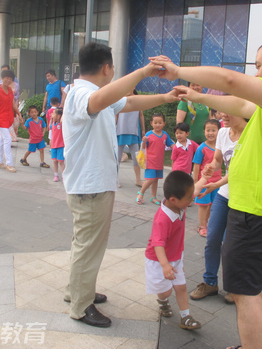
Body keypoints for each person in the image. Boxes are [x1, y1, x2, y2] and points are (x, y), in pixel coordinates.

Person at [151, 37, 262, 349]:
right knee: (259, 284)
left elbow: (229, 81)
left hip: (256, 212)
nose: (257, 73)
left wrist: (178, 70)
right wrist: (198, 95)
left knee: (243, 293)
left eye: (259, 66)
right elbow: (239, 104)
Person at [62, 42, 178, 328]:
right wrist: (142, 72)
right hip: (90, 187)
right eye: (113, 68)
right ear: (107, 68)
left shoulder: (94, 94)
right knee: (88, 246)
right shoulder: (81, 94)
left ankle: (78, 291)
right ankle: (80, 305)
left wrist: (165, 96)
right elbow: (100, 102)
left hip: (93, 184)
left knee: (84, 245)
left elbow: (129, 103)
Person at [190, 113, 247, 304]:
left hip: (244, 198)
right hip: (225, 195)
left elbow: (239, 171)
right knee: (212, 239)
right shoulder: (223, 132)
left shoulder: (251, 134)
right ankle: (210, 283)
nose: (223, 115)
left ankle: (234, 287)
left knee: (233, 246)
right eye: (221, 111)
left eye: (227, 111)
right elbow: (217, 161)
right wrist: (209, 170)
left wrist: (215, 184)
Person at [145, 170, 201, 331]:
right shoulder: (163, 218)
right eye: (189, 198)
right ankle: (162, 301)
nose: (192, 199)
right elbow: (157, 244)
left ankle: (186, 317)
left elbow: (195, 189)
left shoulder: (179, 205)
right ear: (174, 200)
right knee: (166, 291)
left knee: (181, 286)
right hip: (158, 260)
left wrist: (206, 176)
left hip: (175, 256)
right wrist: (164, 265)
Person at [136, 113, 174, 206]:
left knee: (156, 180)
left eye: (160, 122)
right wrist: (144, 142)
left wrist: (178, 149)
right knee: (151, 179)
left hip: (159, 163)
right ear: (151, 123)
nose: (158, 125)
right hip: (150, 161)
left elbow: (171, 144)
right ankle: (140, 193)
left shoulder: (165, 135)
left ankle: (153, 197)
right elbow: (143, 146)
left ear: (164, 123)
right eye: (155, 122)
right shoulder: (149, 134)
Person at [192, 119, 221, 237]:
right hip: (203, 183)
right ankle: (202, 226)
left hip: (217, 183)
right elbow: (196, 166)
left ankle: (207, 223)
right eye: (208, 130)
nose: (210, 133)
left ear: (219, 131)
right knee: (203, 205)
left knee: (213, 204)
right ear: (204, 132)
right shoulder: (201, 148)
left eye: (214, 130)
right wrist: (196, 182)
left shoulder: (220, 148)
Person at [0, 69, 23, 173]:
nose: (8, 80)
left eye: (10, 79)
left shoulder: (9, 90)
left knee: (2, 139)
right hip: (0, 119)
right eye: (6, 78)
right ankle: (9, 164)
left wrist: (19, 113)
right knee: (8, 139)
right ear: (2, 78)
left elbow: (13, 103)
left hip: (9, 118)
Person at [116, 89, 145, 187]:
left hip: (133, 131)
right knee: (118, 158)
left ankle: (138, 180)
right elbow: (116, 115)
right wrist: (113, 127)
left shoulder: (138, 100)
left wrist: (143, 129)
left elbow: (141, 115)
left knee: (136, 157)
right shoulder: (120, 100)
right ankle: (115, 180)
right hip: (120, 131)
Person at [50, 108, 65, 182]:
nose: (52, 115)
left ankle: (63, 176)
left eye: (54, 113)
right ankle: (56, 175)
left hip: (61, 145)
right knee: (55, 161)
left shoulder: (61, 124)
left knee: (61, 162)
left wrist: (61, 116)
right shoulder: (53, 124)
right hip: (53, 146)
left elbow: (63, 118)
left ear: (59, 116)